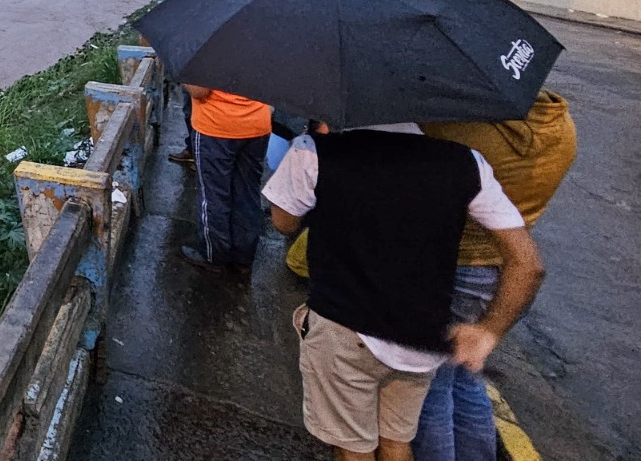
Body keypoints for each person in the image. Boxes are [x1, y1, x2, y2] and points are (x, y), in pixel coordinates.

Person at [264, 124, 545, 461]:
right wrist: (490, 330)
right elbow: (528, 265)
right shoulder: (467, 162)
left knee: (354, 449)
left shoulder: (313, 151)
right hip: (419, 339)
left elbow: (283, 222)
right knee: (396, 442)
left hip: (344, 329)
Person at [411, 91, 577, 461]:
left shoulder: (463, 132)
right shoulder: (560, 126)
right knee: (465, 380)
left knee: (427, 388)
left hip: (450, 265)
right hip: (498, 269)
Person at [178, 85, 271, 274]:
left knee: (213, 194)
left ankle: (214, 254)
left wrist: (184, 80)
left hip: (216, 126)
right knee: (247, 192)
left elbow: (199, 90)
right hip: (257, 123)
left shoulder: (209, 53)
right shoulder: (267, 53)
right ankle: (244, 255)